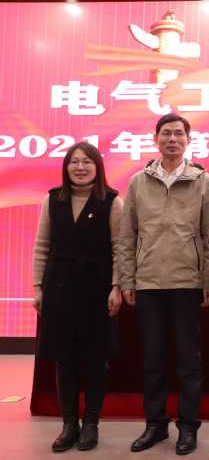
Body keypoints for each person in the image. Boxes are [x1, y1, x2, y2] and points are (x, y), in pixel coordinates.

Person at [118, 113, 209, 456]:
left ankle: (188, 426)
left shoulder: (202, 180)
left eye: (178, 134)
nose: (172, 139)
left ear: (188, 141)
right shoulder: (138, 182)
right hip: (148, 282)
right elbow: (127, 235)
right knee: (153, 359)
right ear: (156, 139)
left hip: (187, 281)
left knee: (189, 361)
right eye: (166, 133)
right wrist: (127, 279)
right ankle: (155, 424)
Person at [32, 142, 123, 452]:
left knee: (96, 359)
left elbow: (119, 248)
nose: (80, 167)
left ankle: (91, 422)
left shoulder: (112, 201)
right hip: (59, 287)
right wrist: (37, 287)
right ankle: (69, 424)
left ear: (97, 167)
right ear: (66, 167)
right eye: (74, 162)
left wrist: (117, 286)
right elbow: (41, 246)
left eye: (87, 162)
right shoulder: (52, 199)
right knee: (64, 359)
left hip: (98, 289)